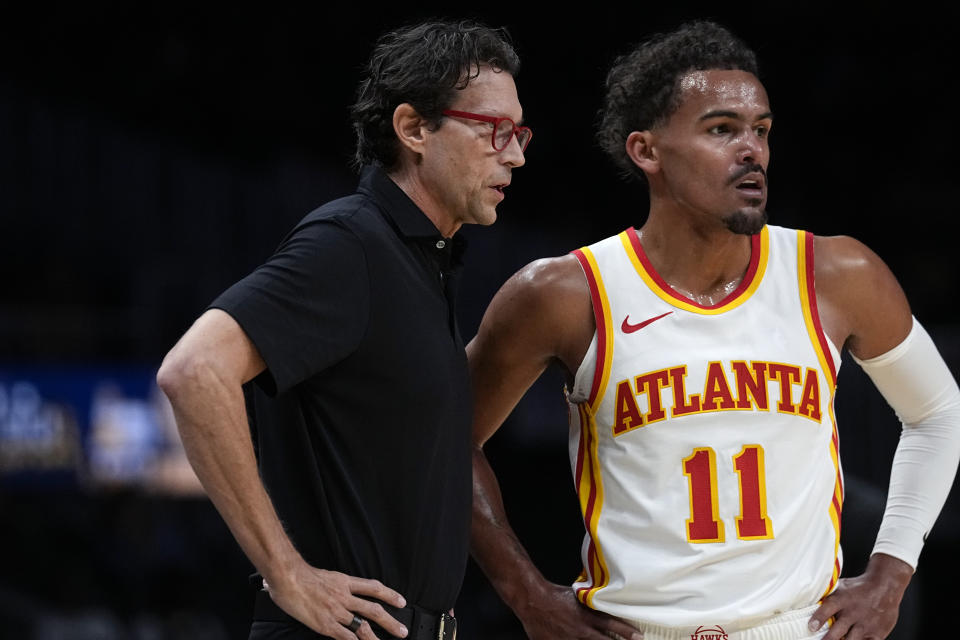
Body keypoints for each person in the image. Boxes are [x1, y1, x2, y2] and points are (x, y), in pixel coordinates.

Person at [467, 20, 960, 640]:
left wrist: (892, 571)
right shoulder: (564, 293)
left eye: (761, 130)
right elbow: (446, 439)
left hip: (798, 627)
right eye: (722, 129)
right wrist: (529, 598)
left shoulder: (835, 273)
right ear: (645, 150)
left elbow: (939, 410)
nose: (751, 149)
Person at [156, 19, 530, 640]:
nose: (514, 153)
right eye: (494, 131)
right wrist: (286, 572)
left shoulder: (422, 259)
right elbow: (194, 371)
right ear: (413, 129)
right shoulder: (351, 244)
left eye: (519, 133)